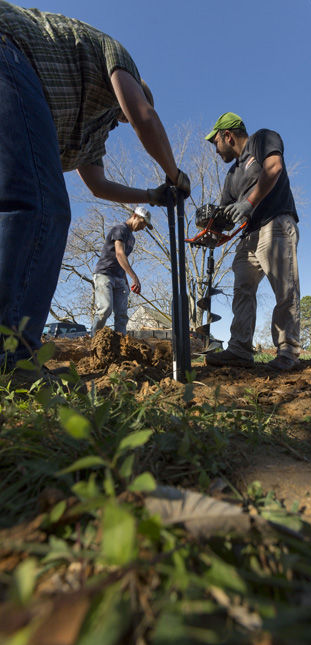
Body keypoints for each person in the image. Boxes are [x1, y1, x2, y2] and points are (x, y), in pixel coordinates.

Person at [0, 1, 190, 384]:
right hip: (9, 49)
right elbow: (143, 116)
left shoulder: (94, 129)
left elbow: (97, 184)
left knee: (32, 205)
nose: (121, 118)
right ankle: (12, 361)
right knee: (41, 208)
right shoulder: (118, 56)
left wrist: (152, 196)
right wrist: (175, 175)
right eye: (125, 108)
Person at [204, 112, 301, 372]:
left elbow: (274, 168)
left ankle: (287, 350)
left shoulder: (262, 139)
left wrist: (248, 202)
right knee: (242, 290)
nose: (215, 150)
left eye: (215, 143)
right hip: (248, 236)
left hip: (275, 224)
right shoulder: (231, 174)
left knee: (285, 289)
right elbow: (224, 216)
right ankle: (239, 349)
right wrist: (209, 233)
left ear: (228, 135)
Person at [92, 207, 152, 336]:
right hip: (104, 274)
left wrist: (126, 280)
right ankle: (93, 340)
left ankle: (120, 345)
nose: (143, 227)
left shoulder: (132, 239)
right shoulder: (120, 229)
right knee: (105, 309)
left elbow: (122, 261)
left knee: (122, 314)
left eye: (145, 225)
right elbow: (119, 254)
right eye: (142, 223)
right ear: (134, 216)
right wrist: (134, 277)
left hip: (119, 278)